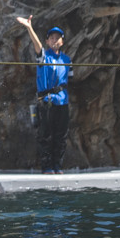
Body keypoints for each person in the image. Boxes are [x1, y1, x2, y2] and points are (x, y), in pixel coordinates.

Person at [16, 15, 72, 174]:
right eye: (52, 38)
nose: (55, 40)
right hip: (46, 101)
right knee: (45, 135)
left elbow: (70, 79)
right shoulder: (43, 56)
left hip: (62, 101)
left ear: (62, 41)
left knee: (61, 136)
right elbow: (37, 45)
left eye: (58, 38)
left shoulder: (67, 60)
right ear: (47, 41)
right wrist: (29, 27)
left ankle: (57, 165)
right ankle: (47, 166)